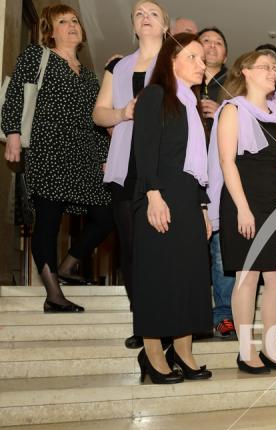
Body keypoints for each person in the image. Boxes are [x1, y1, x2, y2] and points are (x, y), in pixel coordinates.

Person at [2, 4, 114, 312]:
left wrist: (104, 157)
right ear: (50, 31)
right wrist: (13, 132)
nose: (72, 25)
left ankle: (67, 266)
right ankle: (53, 294)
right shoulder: (37, 56)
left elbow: (97, 121)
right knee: (48, 221)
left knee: (107, 215)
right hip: (47, 149)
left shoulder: (89, 76)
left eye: (75, 20)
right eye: (62, 21)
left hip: (85, 155)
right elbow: (15, 94)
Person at [208, 50, 276, 374]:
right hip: (242, 201)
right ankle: (246, 351)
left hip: (275, 203)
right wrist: (243, 209)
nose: (273, 72)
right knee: (247, 276)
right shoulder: (232, 110)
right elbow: (227, 162)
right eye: (266, 67)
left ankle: (271, 350)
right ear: (245, 71)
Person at [132, 33, 213, 384]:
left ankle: (183, 351)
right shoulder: (155, 95)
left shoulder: (191, 106)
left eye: (203, 59)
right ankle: (152, 352)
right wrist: (152, 194)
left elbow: (197, 166)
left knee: (189, 276)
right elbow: (144, 147)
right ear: (171, 60)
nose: (201, 64)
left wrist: (203, 207)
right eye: (193, 56)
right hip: (159, 194)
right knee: (158, 275)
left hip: (187, 198)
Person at [94, 0, 167, 348]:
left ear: (165, 26)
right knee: (133, 248)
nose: (145, 17)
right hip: (126, 165)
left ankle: (167, 321)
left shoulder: (175, 63)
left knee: (162, 248)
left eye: (153, 13)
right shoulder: (118, 66)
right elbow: (99, 114)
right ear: (133, 26)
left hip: (164, 165)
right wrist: (123, 112)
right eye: (139, 13)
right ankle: (143, 321)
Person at [196, 26, 236, 339]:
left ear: (225, 54)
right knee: (192, 249)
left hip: (223, 173)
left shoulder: (235, 84)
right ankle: (193, 313)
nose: (211, 46)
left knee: (222, 248)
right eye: (206, 41)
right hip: (188, 173)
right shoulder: (182, 78)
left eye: (218, 42)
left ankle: (224, 314)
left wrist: (222, 112)